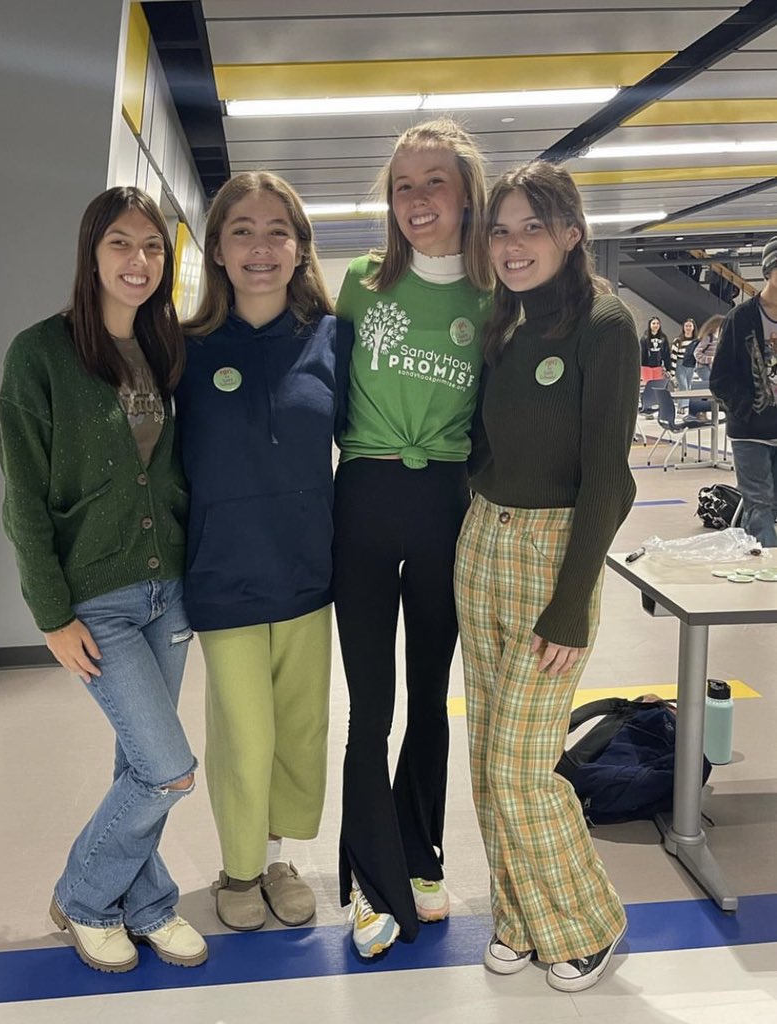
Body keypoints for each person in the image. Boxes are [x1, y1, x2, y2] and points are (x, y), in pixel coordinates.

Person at [0, 187, 207, 973]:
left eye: (153, 247)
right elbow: (23, 494)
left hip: (170, 592)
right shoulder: (39, 353)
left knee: (136, 762)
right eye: (122, 243)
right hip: (98, 600)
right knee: (168, 767)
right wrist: (51, 615)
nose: (139, 261)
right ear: (92, 253)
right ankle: (85, 897)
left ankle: (148, 904)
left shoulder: (167, 348)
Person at [454, 161, 637, 992]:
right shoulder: (504, 324)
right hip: (483, 544)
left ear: (571, 233)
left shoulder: (604, 323)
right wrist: (479, 502)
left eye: (533, 227)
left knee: (520, 768)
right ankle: (520, 917)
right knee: (487, 748)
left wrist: (570, 604)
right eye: (501, 229)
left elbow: (609, 479)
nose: (515, 244)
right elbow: (485, 441)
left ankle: (588, 921)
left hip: (554, 559)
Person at [333, 117, 493, 958]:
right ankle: (369, 880)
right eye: (403, 184)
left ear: (466, 193)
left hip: (445, 503)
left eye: (435, 181)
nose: (418, 198)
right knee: (371, 707)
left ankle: (423, 853)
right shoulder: (361, 283)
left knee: (430, 697)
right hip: (364, 497)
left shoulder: (489, 295)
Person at [175, 172, 351, 932]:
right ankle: (239, 867)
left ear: (300, 247)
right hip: (225, 578)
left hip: (310, 575)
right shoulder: (180, 350)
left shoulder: (332, 341)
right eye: (241, 229)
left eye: (277, 229)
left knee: (299, 732)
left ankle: (278, 858)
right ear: (216, 248)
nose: (260, 246)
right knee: (244, 735)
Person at [710, 236, 777, 547]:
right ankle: (767, 576)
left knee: (767, 506)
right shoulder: (742, 318)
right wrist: (747, 409)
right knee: (760, 505)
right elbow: (719, 378)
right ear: (768, 271)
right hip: (751, 432)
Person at [639, 316, 670, 414]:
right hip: (646, 367)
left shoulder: (663, 338)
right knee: (648, 387)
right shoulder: (644, 338)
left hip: (658, 367)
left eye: (657, 323)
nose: (655, 325)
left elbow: (666, 354)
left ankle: (655, 407)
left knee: (657, 387)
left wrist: (668, 368)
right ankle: (646, 407)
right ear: (650, 325)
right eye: (653, 323)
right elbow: (642, 353)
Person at [671, 317, 699, 411]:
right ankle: (684, 406)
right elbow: (674, 356)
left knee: (688, 386)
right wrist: (672, 372)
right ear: (683, 327)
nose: (688, 328)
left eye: (690, 326)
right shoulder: (678, 340)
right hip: (680, 365)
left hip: (691, 366)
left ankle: (680, 407)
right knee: (684, 386)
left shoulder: (696, 341)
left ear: (693, 327)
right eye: (686, 326)